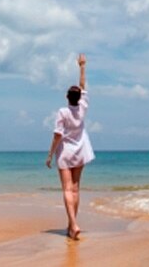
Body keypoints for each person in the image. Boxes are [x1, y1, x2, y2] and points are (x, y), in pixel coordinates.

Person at [45, 53, 94, 240]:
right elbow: (83, 86)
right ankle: (71, 225)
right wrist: (82, 67)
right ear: (79, 98)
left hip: (65, 153)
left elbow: (57, 135)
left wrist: (50, 155)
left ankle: (73, 224)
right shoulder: (82, 108)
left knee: (66, 189)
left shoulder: (63, 112)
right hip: (80, 151)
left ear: (67, 97)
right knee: (75, 189)